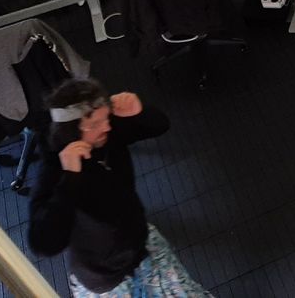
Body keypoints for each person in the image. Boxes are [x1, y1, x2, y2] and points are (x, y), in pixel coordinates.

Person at [28, 78, 210, 297]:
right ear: (72, 130)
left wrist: (139, 111)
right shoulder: (54, 170)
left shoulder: (106, 134)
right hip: (102, 275)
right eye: (96, 123)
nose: (107, 126)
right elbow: (43, 243)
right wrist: (70, 179)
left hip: (140, 244)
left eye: (106, 118)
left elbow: (160, 125)